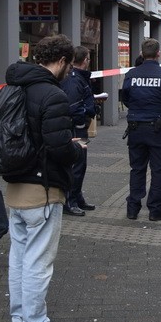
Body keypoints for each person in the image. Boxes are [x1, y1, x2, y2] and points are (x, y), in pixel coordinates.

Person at [4, 34, 84, 322]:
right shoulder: (52, 95)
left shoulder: (14, 86)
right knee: (38, 261)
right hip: (43, 189)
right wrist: (77, 150)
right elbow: (58, 148)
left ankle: (21, 320)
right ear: (63, 61)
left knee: (19, 258)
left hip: (15, 186)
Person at [120, 39, 161, 221]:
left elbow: (125, 98)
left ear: (142, 54)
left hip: (135, 128)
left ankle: (132, 208)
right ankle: (155, 210)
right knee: (158, 170)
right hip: (157, 129)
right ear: (158, 53)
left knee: (137, 168)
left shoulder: (131, 74)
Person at [60, 46, 97, 216]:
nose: (90, 61)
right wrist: (86, 114)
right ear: (85, 60)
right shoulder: (75, 80)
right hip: (76, 130)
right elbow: (74, 106)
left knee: (81, 165)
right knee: (77, 165)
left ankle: (77, 197)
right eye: (89, 58)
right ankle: (70, 200)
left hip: (78, 128)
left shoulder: (79, 78)